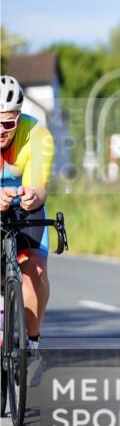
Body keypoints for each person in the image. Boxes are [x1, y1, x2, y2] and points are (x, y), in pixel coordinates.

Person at [0, 75, 55, 355]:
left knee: (35, 270)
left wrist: (33, 195)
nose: (0, 130)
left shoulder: (37, 136)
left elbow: (39, 189)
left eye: (7, 123)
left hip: (24, 206)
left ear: (19, 118)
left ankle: (31, 338)